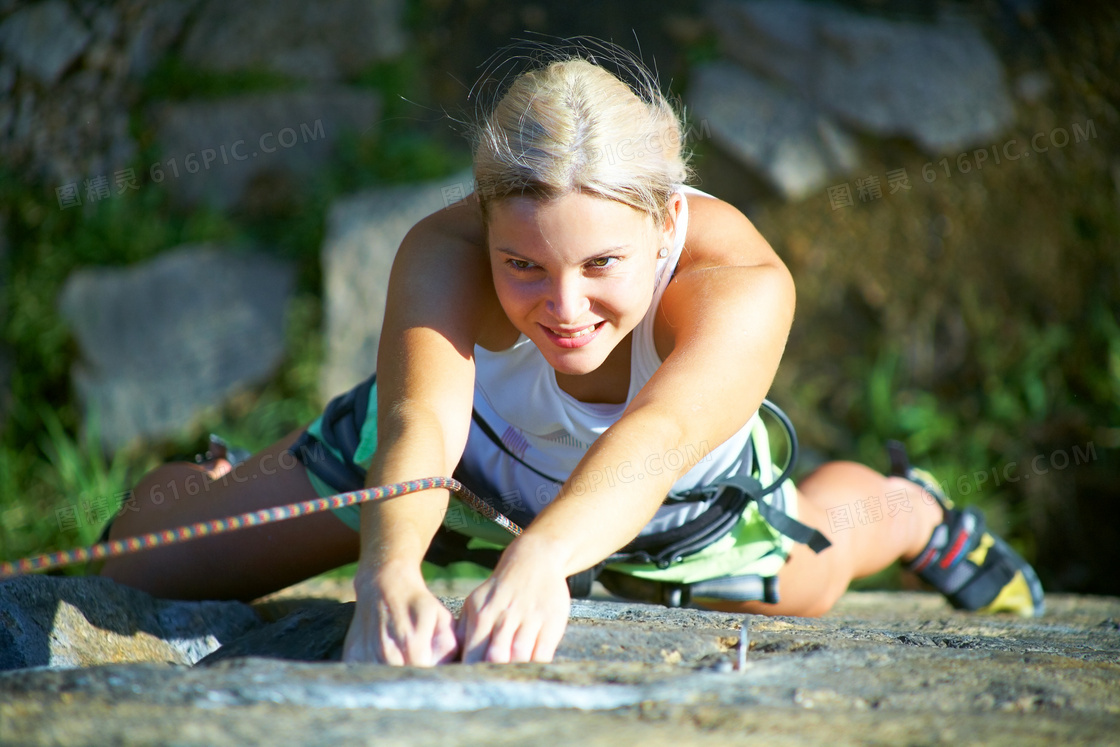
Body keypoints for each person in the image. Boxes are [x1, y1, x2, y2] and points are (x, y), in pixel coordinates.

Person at [100, 49, 1044, 666]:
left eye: (602, 265)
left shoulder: (741, 281)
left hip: (672, 504)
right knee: (138, 567)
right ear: (482, 223)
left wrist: (545, 557)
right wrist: (387, 574)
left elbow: (659, 433)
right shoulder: (444, 249)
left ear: (666, 220)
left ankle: (912, 511)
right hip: (457, 469)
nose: (564, 307)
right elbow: (422, 421)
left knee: (805, 586)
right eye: (524, 265)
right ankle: (226, 473)